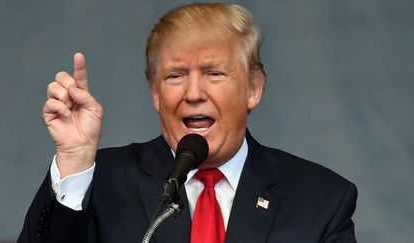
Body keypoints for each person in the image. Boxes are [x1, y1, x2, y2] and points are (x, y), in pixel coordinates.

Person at [18, 3, 357, 243]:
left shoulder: (321, 199)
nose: (194, 93)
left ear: (253, 89)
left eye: (214, 73)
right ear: (155, 92)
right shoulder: (101, 182)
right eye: (176, 75)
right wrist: (76, 159)